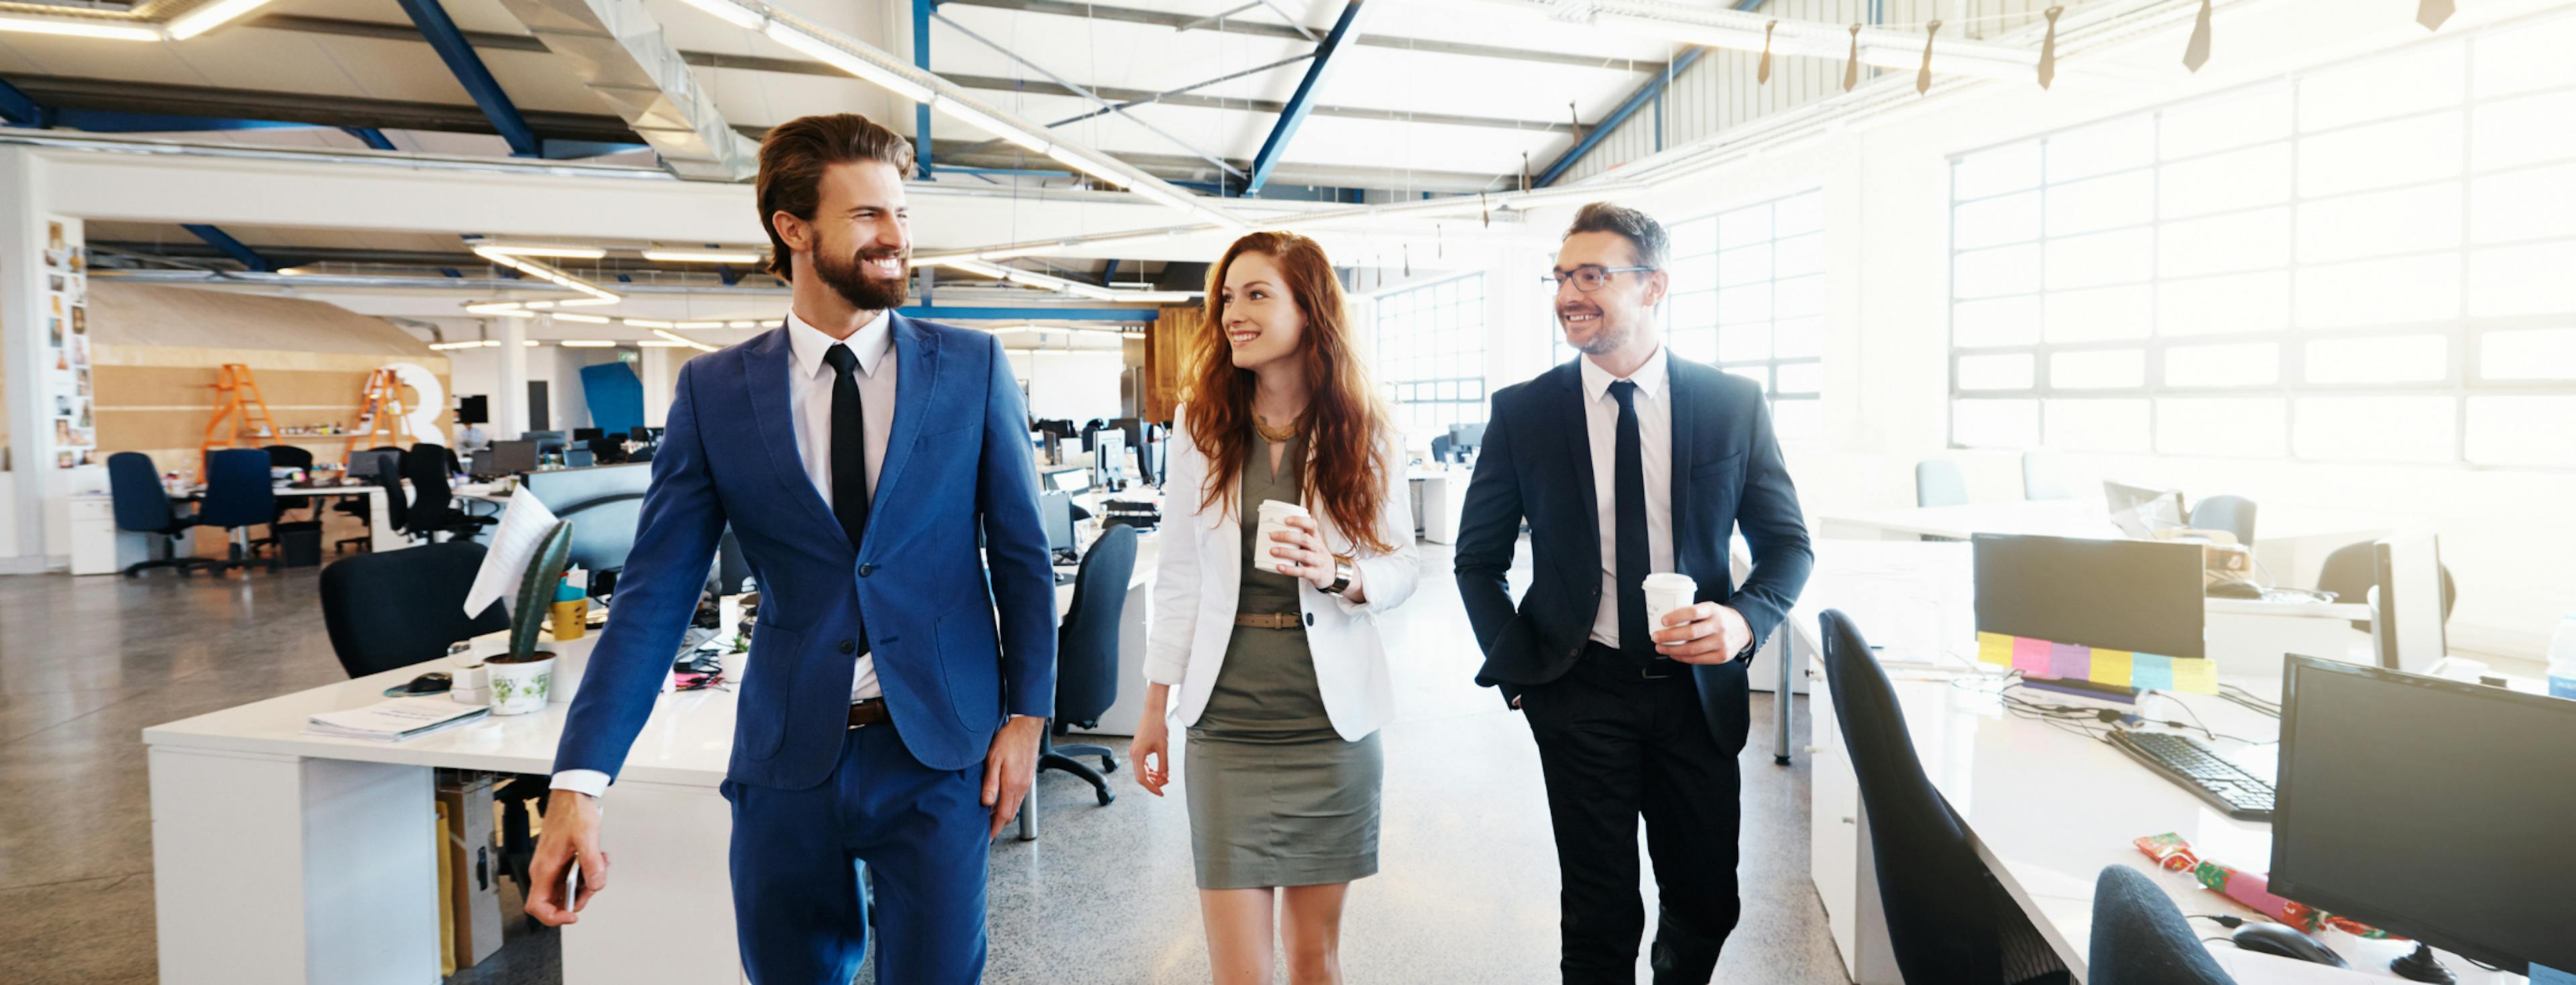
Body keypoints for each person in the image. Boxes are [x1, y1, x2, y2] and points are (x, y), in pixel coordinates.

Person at [522, 113, 1057, 984]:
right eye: (868, 216)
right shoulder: (715, 392)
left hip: (937, 752)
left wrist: (1028, 719)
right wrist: (579, 783)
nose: (896, 237)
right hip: (784, 761)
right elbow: (653, 598)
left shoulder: (973, 368)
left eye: (903, 215)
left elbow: (1024, 557)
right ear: (793, 228)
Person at [1454, 202, 1813, 984]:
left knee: (1708, 901)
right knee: (1599, 911)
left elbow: (1789, 545)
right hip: (1579, 690)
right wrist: (1523, 678)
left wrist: (1742, 622)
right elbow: (1476, 560)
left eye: (1592, 275)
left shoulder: (1731, 404)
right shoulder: (1525, 413)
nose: (1567, 294)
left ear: (1654, 287)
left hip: (1696, 696)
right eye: (1561, 277)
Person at [1130, 231, 1420, 985]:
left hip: (1329, 730)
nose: (1232, 312)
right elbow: (1183, 577)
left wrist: (1340, 573)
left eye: (1256, 294)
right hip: (1228, 728)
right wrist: (1155, 708)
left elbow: (1401, 565)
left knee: (1316, 960)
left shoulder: (1364, 427)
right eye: (1227, 296)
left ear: (1309, 310)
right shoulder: (1202, 422)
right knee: (1241, 973)